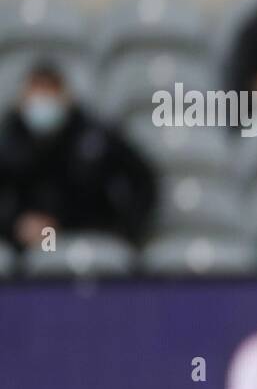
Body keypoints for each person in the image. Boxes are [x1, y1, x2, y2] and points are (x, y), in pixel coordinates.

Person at [0, 61, 156, 251]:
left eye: (50, 91)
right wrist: (15, 225)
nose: (42, 100)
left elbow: (142, 181)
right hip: (22, 249)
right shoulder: (7, 141)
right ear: (21, 98)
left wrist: (121, 231)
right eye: (36, 91)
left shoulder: (96, 138)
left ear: (66, 95)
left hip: (91, 240)